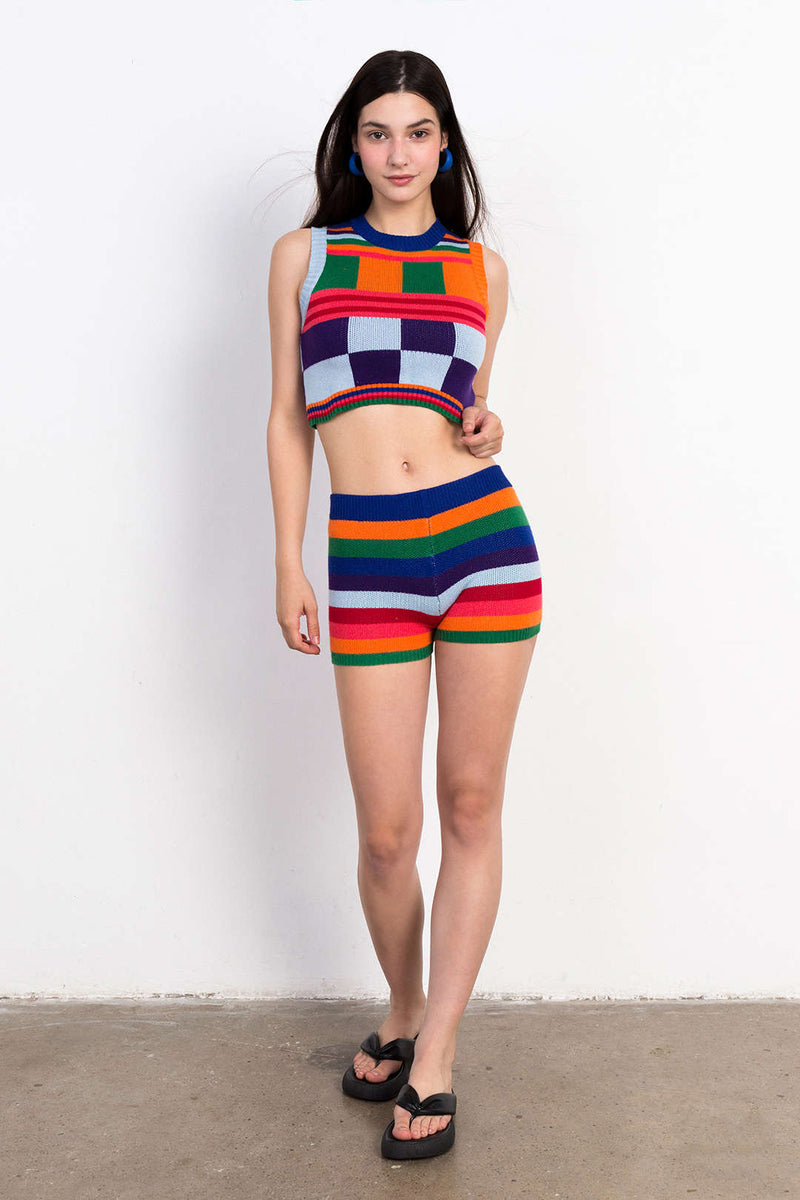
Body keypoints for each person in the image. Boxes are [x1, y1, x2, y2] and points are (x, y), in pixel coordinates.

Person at [266, 49, 543, 1161]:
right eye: (377, 132)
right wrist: (289, 562)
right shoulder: (307, 256)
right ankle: (401, 1003)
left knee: (470, 806)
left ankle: (434, 1056)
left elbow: (467, 409)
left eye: (417, 132)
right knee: (387, 835)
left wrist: (486, 425)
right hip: (368, 555)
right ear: (352, 145)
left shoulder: (482, 268)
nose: (397, 153)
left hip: (484, 543)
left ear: (444, 145)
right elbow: (289, 417)